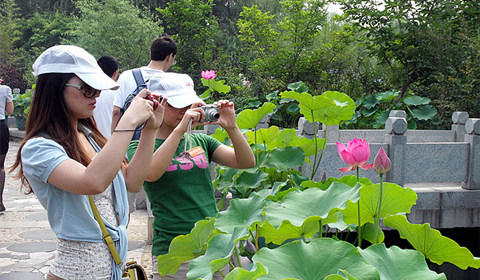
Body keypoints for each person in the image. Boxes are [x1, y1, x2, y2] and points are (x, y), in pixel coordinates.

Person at [9, 45, 165, 280]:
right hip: (74, 274)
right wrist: (129, 121)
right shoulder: (38, 148)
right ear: (55, 88)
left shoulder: (89, 137)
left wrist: (150, 129)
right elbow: (92, 181)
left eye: (97, 89)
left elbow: (131, 182)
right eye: (87, 89)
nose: (97, 95)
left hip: (111, 270)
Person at [127, 73, 256, 279]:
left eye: (188, 105)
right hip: (174, 247)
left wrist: (231, 126)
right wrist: (179, 130)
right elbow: (151, 174)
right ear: (158, 104)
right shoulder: (140, 146)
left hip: (213, 243)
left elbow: (246, 162)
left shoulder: (202, 141)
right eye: (177, 106)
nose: (185, 111)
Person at [112, 36, 177, 219]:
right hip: (160, 145)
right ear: (170, 57)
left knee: (124, 199)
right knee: (157, 194)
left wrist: (114, 143)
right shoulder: (173, 81)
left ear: (151, 53)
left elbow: (116, 112)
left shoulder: (126, 76)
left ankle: (121, 233)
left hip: (128, 143)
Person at [93, 55, 119, 139]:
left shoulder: (89, 93)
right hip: (113, 142)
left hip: (93, 141)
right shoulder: (118, 92)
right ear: (115, 73)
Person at [0, 79, 14, 212]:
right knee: (0, 165)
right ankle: (0, 201)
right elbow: (10, 111)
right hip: (0, 127)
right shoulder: (4, 89)